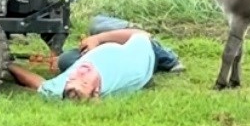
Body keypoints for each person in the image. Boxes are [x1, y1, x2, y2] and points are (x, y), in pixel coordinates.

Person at [8, 26, 162, 100]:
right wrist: (99, 38)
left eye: (72, 79)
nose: (79, 72)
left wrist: (6, 64)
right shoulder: (125, 63)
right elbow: (142, 35)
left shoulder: (67, 86)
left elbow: (39, 84)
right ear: (96, 91)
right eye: (84, 82)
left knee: (65, 61)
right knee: (98, 23)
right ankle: (169, 59)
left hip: (102, 52)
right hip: (149, 49)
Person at [56, 14, 184, 74]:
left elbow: (144, 35)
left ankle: (127, 31)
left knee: (96, 23)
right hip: (132, 54)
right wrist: (97, 40)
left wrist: (96, 40)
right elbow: (143, 36)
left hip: (117, 53)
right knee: (66, 60)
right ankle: (166, 57)